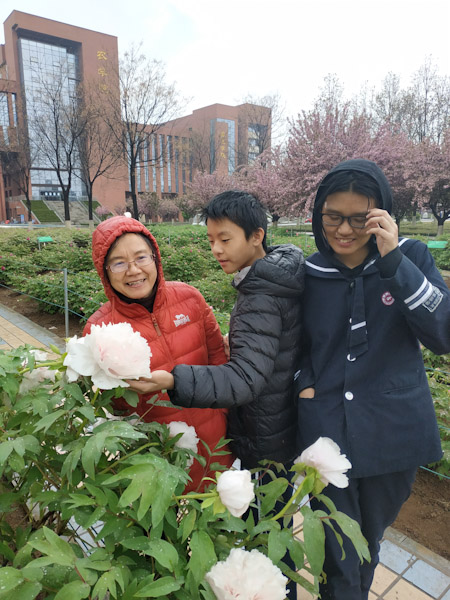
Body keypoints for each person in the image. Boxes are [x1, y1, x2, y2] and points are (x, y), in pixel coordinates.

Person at [133, 190, 305, 598]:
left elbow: (245, 380)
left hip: (266, 439)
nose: (215, 249)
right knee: (274, 536)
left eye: (225, 239)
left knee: (269, 546)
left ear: (257, 235)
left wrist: (174, 380)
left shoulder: (259, 295)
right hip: (278, 425)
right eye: (210, 239)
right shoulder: (276, 276)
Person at [296, 159, 450, 600]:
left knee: (369, 540)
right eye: (333, 217)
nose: (344, 230)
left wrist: (394, 262)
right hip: (326, 435)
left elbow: (441, 334)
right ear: (318, 216)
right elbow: (295, 346)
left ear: (380, 215)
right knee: (336, 549)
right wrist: (302, 383)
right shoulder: (309, 273)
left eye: (359, 218)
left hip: (393, 434)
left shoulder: (410, 259)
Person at [84, 215, 234, 493]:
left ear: (155, 258)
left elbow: (219, 360)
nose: (133, 270)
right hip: (160, 460)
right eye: (118, 263)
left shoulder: (190, 299)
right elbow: (112, 404)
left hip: (217, 447)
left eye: (141, 257)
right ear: (103, 270)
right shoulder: (99, 329)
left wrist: (223, 415)